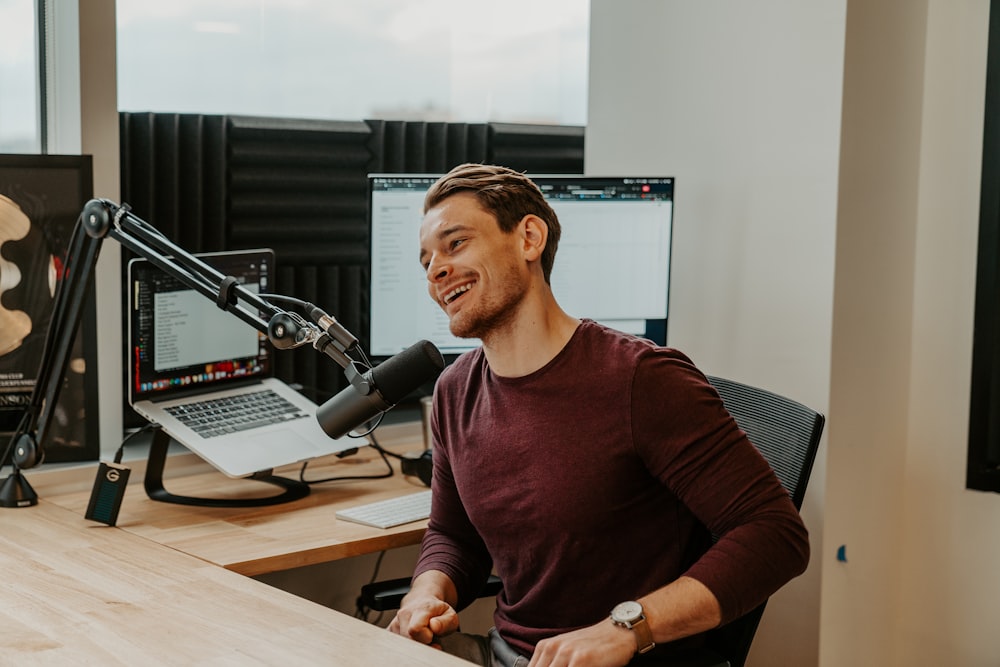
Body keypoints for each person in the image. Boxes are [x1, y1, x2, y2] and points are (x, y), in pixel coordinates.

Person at [388, 163, 809, 667]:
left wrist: (625, 629)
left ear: (529, 238)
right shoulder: (455, 392)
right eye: (426, 260)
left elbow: (775, 534)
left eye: (455, 245)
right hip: (508, 655)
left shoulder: (642, 379)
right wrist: (425, 592)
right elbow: (452, 535)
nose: (435, 271)